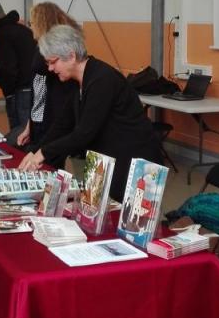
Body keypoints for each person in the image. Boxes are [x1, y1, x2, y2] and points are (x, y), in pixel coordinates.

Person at [18, 25, 163, 202]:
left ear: (72, 56)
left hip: (138, 165)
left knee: (132, 217)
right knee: (93, 212)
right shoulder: (77, 81)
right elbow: (62, 125)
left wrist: (43, 153)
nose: (50, 68)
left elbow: (83, 134)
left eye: (53, 62)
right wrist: (36, 151)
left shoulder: (102, 79)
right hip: (106, 159)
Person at [16, 2, 81, 154]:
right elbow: (38, 89)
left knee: (46, 156)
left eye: (32, 22)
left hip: (52, 116)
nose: (30, 26)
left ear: (41, 22)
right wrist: (30, 125)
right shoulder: (42, 45)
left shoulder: (55, 48)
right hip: (39, 115)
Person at [0, 9, 36, 136]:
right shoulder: (25, 30)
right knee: (32, 129)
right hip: (34, 86)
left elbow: (7, 68)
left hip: (18, 91)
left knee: (20, 132)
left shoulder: (1, 36)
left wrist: (8, 92)